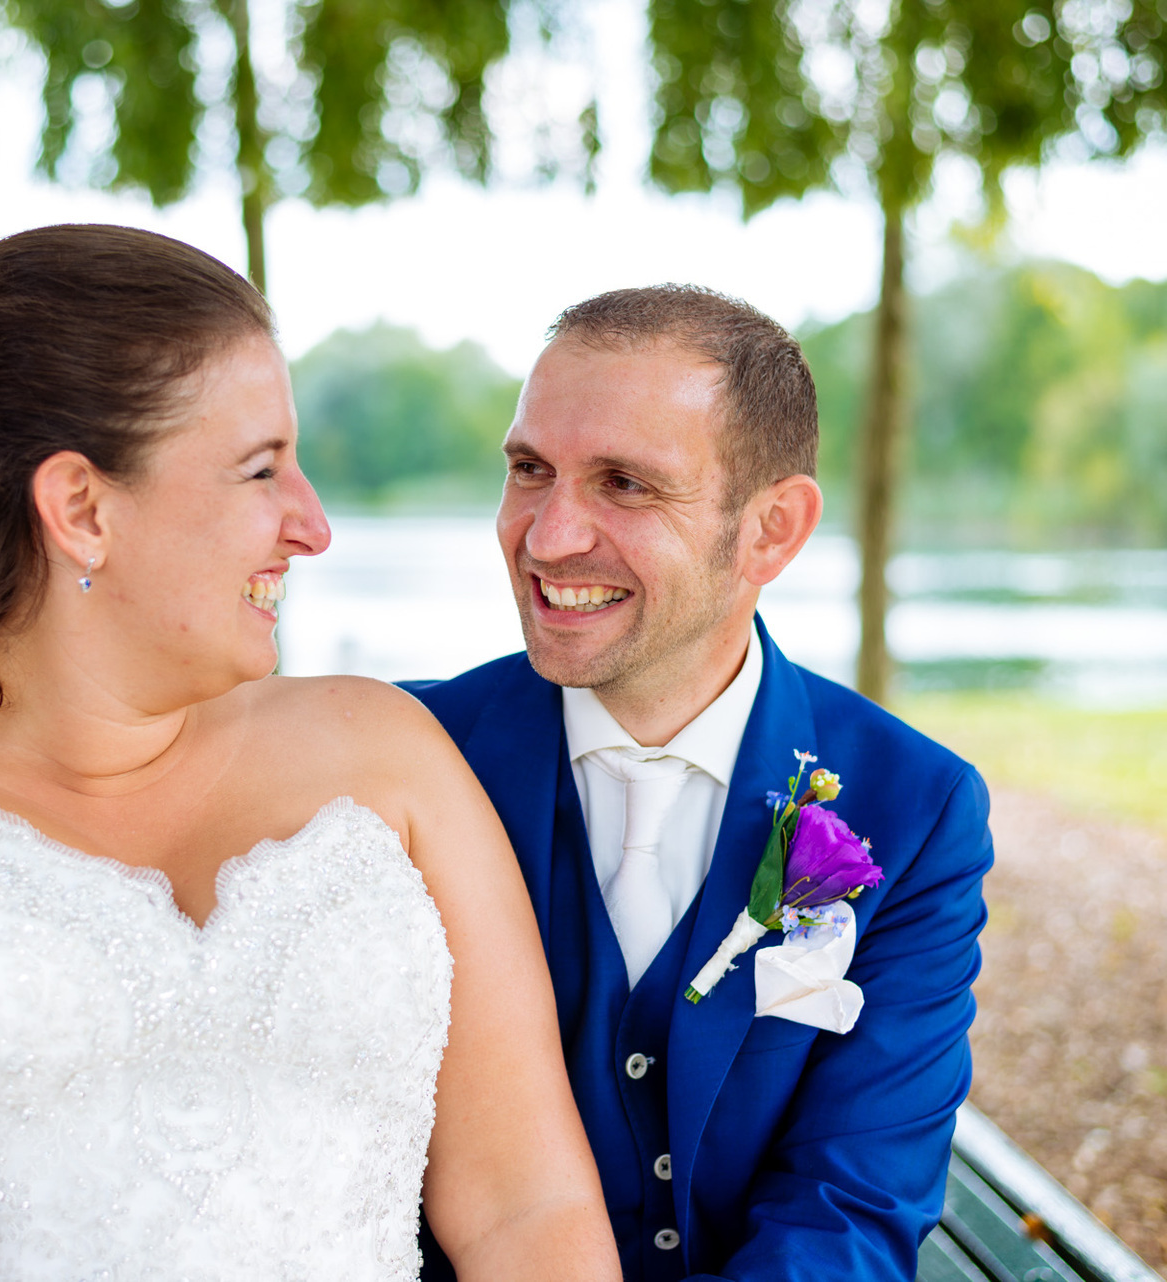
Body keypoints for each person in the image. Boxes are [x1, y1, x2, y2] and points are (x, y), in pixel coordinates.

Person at [0, 225, 619, 1282]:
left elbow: (531, 1210)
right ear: (81, 508)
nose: (312, 524)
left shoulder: (385, 751)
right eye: (259, 470)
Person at [403, 286, 992, 1281]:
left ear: (771, 530)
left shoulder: (915, 808)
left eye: (625, 484)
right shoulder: (409, 756)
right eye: (529, 469)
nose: (547, 538)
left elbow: (849, 1207)